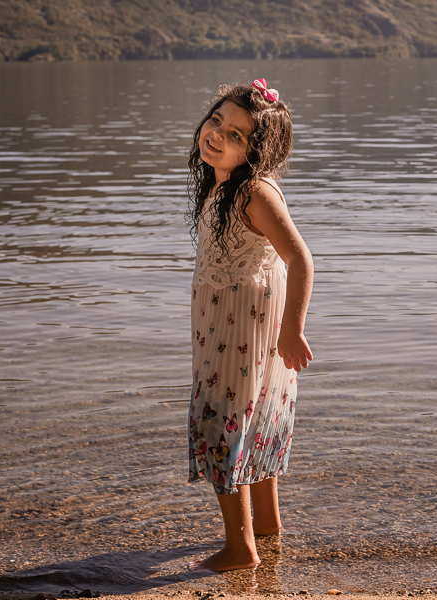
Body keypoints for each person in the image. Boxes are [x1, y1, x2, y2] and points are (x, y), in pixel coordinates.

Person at [186, 79, 314, 572]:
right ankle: (266, 528)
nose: (218, 134)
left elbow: (300, 259)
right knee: (256, 423)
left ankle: (241, 551)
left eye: (236, 134)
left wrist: (292, 330)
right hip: (235, 320)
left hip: (246, 331)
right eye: (217, 120)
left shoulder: (254, 192)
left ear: (257, 151)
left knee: (223, 422)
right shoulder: (223, 184)